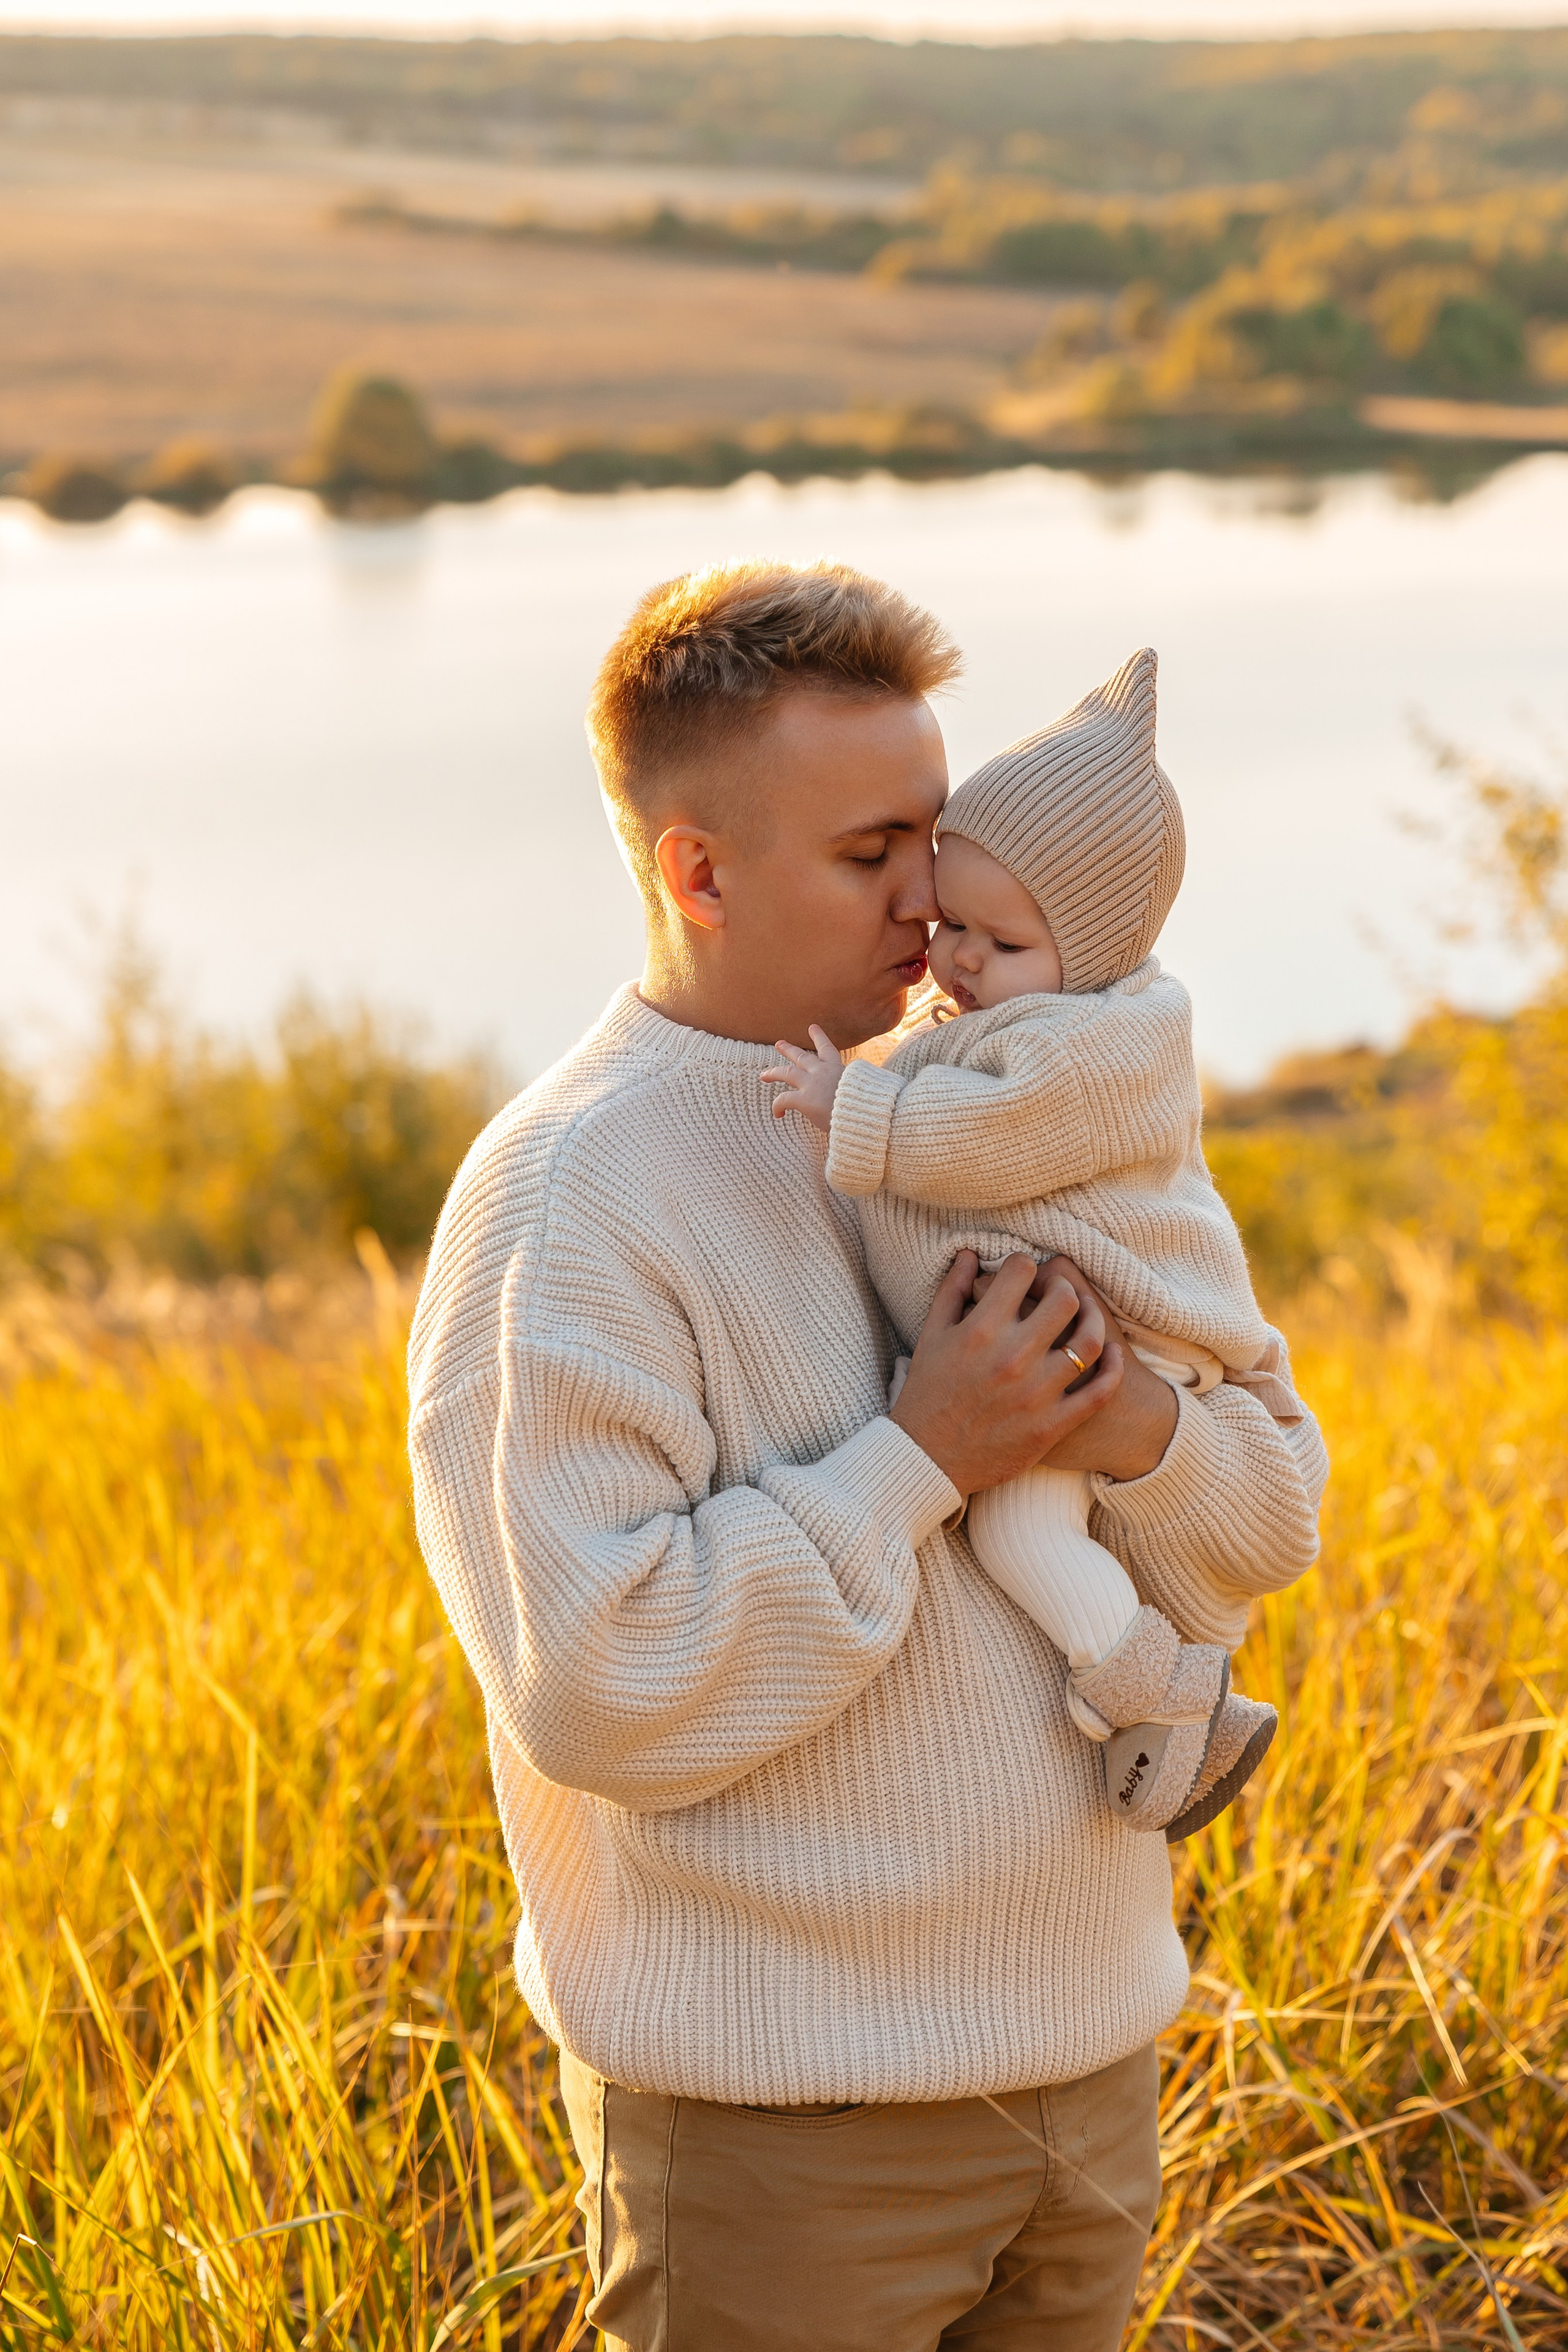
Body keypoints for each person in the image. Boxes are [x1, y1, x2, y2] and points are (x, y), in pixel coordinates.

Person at [408, 561, 1327, 2351]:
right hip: (791, 2148)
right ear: (696, 867)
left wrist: (1125, 1423)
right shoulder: (567, 1203)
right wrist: (925, 1455)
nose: (933, 902)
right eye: (871, 852)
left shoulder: (1011, 1101)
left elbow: (1269, 1515)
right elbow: (604, 1689)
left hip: (1089, 2089)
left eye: (938, 832)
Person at [763, 645, 1301, 1841]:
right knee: (1025, 1525)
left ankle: (1157, 1693)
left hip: (1113, 1350)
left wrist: (849, 1101)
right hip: (1055, 1351)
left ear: (1089, 954)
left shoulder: (1085, 1051)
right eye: (948, 922)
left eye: (992, 946)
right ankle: (1153, 1695)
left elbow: (989, 1137)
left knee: (1019, 1528)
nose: (948, 959)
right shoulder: (1036, 1009)